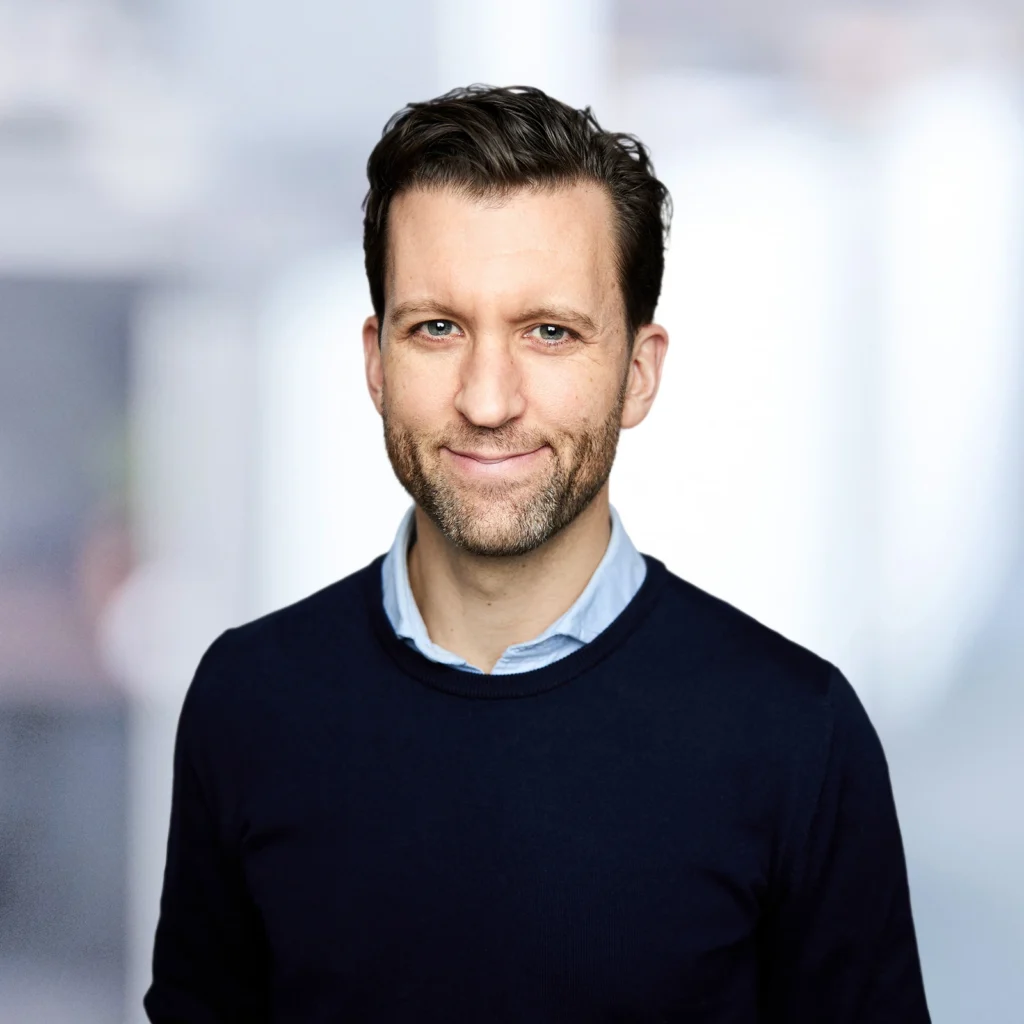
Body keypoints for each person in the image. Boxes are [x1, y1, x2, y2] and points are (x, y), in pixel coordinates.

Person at [144, 85, 931, 1023]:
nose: (486, 399)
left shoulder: (798, 738)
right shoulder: (249, 700)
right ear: (376, 362)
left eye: (549, 332)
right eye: (437, 328)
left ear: (638, 372)